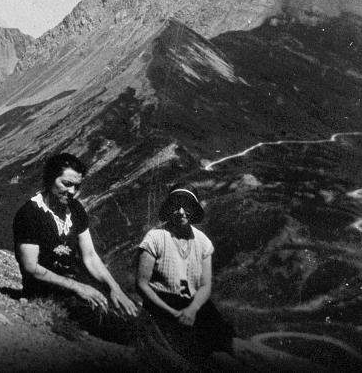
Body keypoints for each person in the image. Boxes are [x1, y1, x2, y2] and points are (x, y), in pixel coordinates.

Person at [13, 152, 138, 340]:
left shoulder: (75, 209)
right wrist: (79, 288)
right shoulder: (30, 214)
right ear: (50, 179)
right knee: (113, 323)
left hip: (75, 281)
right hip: (47, 289)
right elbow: (31, 267)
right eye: (66, 184)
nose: (72, 191)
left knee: (130, 307)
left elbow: (90, 256)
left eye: (76, 186)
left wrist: (115, 288)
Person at [136, 184, 236, 363]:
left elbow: (205, 285)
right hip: (161, 304)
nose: (181, 212)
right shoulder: (154, 238)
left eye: (187, 206)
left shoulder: (203, 242)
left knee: (224, 345)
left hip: (193, 305)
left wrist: (192, 309)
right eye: (176, 206)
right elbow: (142, 284)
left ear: (194, 210)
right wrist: (172, 312)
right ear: (169, 209)